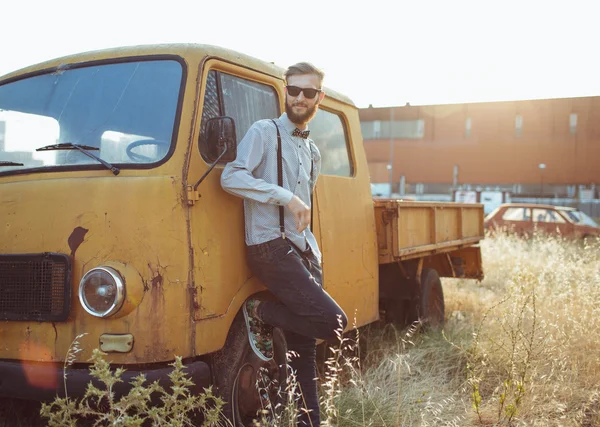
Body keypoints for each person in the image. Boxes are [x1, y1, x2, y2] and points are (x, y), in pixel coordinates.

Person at [220, 62, 348, 426]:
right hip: (270, 248)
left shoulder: (313, 152)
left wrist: (312, 250)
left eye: (308, 92)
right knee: (334, 322)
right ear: (285, 90)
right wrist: (284, 197)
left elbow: (306, 209)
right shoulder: (264, 131)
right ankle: (262, 312)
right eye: (293, 90)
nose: (299, 98)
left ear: (318, 98)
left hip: (303, 252)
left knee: (304, 354)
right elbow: (231, 176)